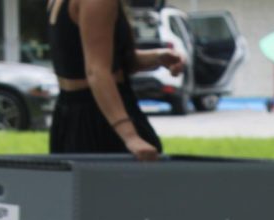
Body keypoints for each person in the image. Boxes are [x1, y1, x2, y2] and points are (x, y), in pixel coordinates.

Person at [47, 0, 184, 160]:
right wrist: (130, 136)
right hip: (99, 119)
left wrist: (158, 57)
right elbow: (96, 72)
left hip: (70, 116)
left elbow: (86, 61)